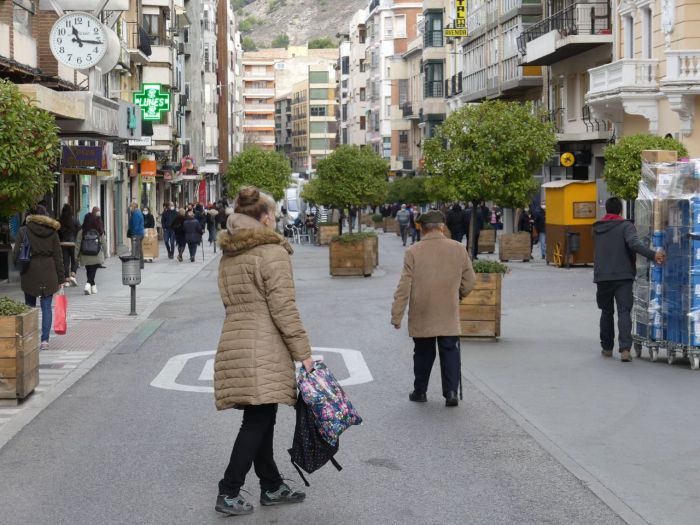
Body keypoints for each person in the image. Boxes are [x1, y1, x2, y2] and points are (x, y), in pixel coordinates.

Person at [214, 186, 313, 517]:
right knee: (257, 420)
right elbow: (284, 307)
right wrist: (304, 353)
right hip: (264, 344)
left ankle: (270, 485)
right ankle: (229, 490)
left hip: (236, 339)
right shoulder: (272, 253)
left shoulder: (231, 252)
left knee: (261, 416)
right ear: (266, 217)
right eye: (274, 215)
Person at [391, 210, 476, 407]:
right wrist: (459, 294)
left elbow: (404, 286)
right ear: (442, 226)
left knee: (422, 352)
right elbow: (470, 280)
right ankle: (451, 392)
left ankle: (420, 391)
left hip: (422, 310)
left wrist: (397, 315)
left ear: (421, 228)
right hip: (447, 309)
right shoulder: (458, 248)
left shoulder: (413, 251)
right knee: (449, 349)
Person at [593, 197, 666, 362]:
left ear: (606, 211)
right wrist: (653, 255)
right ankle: (625, 350)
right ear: (620, 211)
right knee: (624, 311)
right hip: (623, 276)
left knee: (606, 311)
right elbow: (634, 244)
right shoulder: (626, 226)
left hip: (602, 276)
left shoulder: (596, 228)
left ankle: (606, 347)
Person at [12, 205, 64, 351]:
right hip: (49, 272)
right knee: (46, 307)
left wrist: (19, 268)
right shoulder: (53, 233)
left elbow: (16, 253)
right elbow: (58, 257)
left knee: (29, 307)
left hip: (29, 271)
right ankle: (45, 341)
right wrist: (61, 279)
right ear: (46, 216)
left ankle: (30, 338)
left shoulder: (24, 231)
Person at [76, 211, 106, 295]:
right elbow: (103, 242)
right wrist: (106, 254)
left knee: (89, 269)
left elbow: (78, 244)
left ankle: (93, 286)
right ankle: (88, 284)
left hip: (85, 254)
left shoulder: (82, 231)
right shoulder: (99, 230)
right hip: (96, 254)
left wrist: (76, 255)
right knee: (92, 270)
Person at [58, 204, 80, 286]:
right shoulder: (75, 220)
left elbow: (58, 232)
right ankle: (73, 274)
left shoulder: (60, 220)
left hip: (63, 244)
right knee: (75, 259)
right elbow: (79, 230)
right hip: (73, 243)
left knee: (65, 262)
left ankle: (66, 280)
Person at [128, 202, 145, 269]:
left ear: (134, 207)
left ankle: (137, 265)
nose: (130, 208)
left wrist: (133, 234)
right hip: (140, 233)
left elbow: (136, 225)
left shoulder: (136, 214)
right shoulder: (138, 212)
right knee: (139, 249)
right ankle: (141, 265)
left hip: (137, 234)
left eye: (131, 207)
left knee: (136, 250)